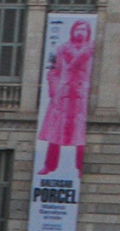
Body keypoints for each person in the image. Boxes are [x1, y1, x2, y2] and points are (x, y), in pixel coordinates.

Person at [37, 19, 93, 177]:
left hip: (81, 96)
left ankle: (80, 168)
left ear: (88, 32)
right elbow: (53, 72)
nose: (80, 32)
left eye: (83, 30)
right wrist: (55, 92)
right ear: (72, 31)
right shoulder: (62, 49)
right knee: (55, 133)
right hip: (63, 96)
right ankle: (49, 165)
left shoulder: (91, 50)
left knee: (80, 133)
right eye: (77, 29)